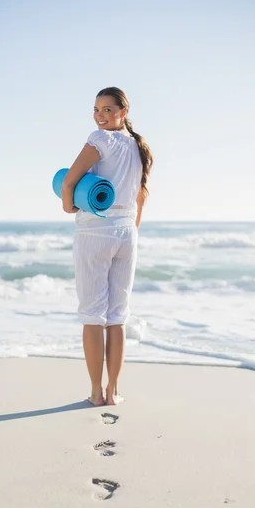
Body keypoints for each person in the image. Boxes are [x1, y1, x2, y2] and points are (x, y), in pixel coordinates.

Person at [61, 87, 153, 406]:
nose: (100, 116)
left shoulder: (100, 140)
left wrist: (67, 206)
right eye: (97, 110)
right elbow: (141, 197)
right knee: (117, 316)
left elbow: (70, 181)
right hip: (127, 233)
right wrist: (128, 231)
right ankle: (114, 391)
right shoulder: (140, 148)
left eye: (108, 110)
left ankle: (96, 393)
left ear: (123, 112)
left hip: (95, 233)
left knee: (92, 315)